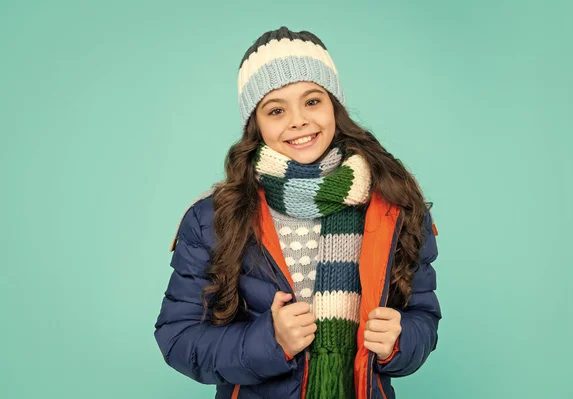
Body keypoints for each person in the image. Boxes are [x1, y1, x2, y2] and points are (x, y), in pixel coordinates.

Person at [154, 26, 441, 399]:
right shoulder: (213, 218)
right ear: (255, 123)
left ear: (334, 106)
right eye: (276, 109)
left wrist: (400, 340)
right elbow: (177, 337)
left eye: (312, 101)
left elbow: (424, 317)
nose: (298, 120)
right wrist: (271, 341)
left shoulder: (393, 204)